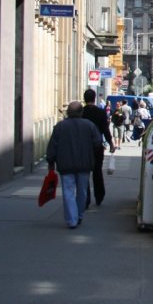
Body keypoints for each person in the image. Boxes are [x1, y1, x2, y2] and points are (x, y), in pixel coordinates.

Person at [46, 101, 101, 229]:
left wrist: (51, 161)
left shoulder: (60, 126)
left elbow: (53, 146)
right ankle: (79, 215)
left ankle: (72, 219)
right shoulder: (89, 125)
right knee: (82, 191)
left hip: (66, 165)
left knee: (68, 192)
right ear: (81, 112)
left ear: (68, 113)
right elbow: (97, 142)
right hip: (84, 164)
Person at [82, 89, 115, 208]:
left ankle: (85, 198)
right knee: (97, 171)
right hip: (97, 146)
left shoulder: (81, 112)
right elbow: (105, 129)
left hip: (83, 147)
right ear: (94, 98)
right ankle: (99, 196)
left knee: (84, 172)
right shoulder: (100, 113)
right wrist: (111, 143)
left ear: (84, 99)